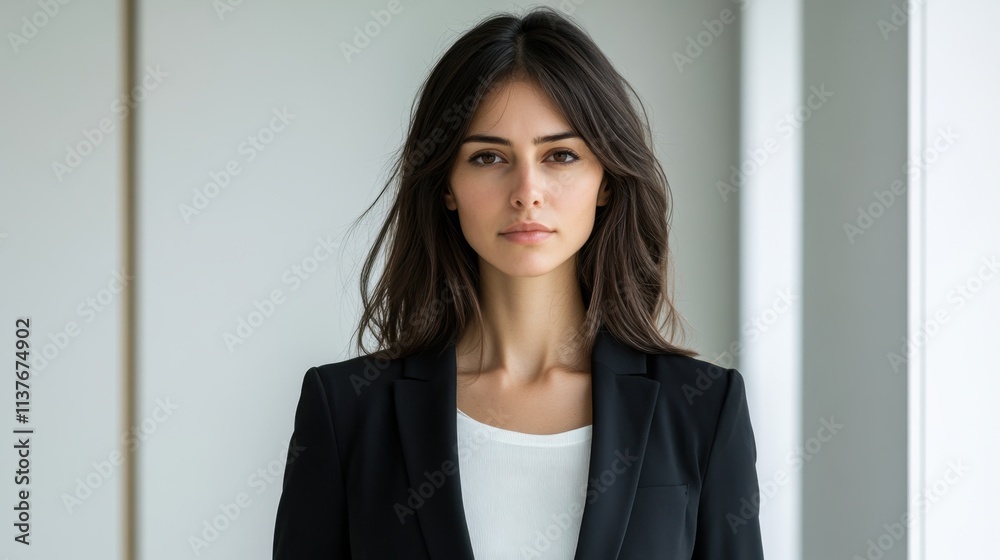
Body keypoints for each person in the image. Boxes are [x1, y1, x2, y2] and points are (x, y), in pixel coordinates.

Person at [272, 6, 764, 559]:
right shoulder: (346, 412)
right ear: (446, 186)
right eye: (488, 156)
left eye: (560, 155)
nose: (527, 191)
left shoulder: (702, 409)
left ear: (605, 180)